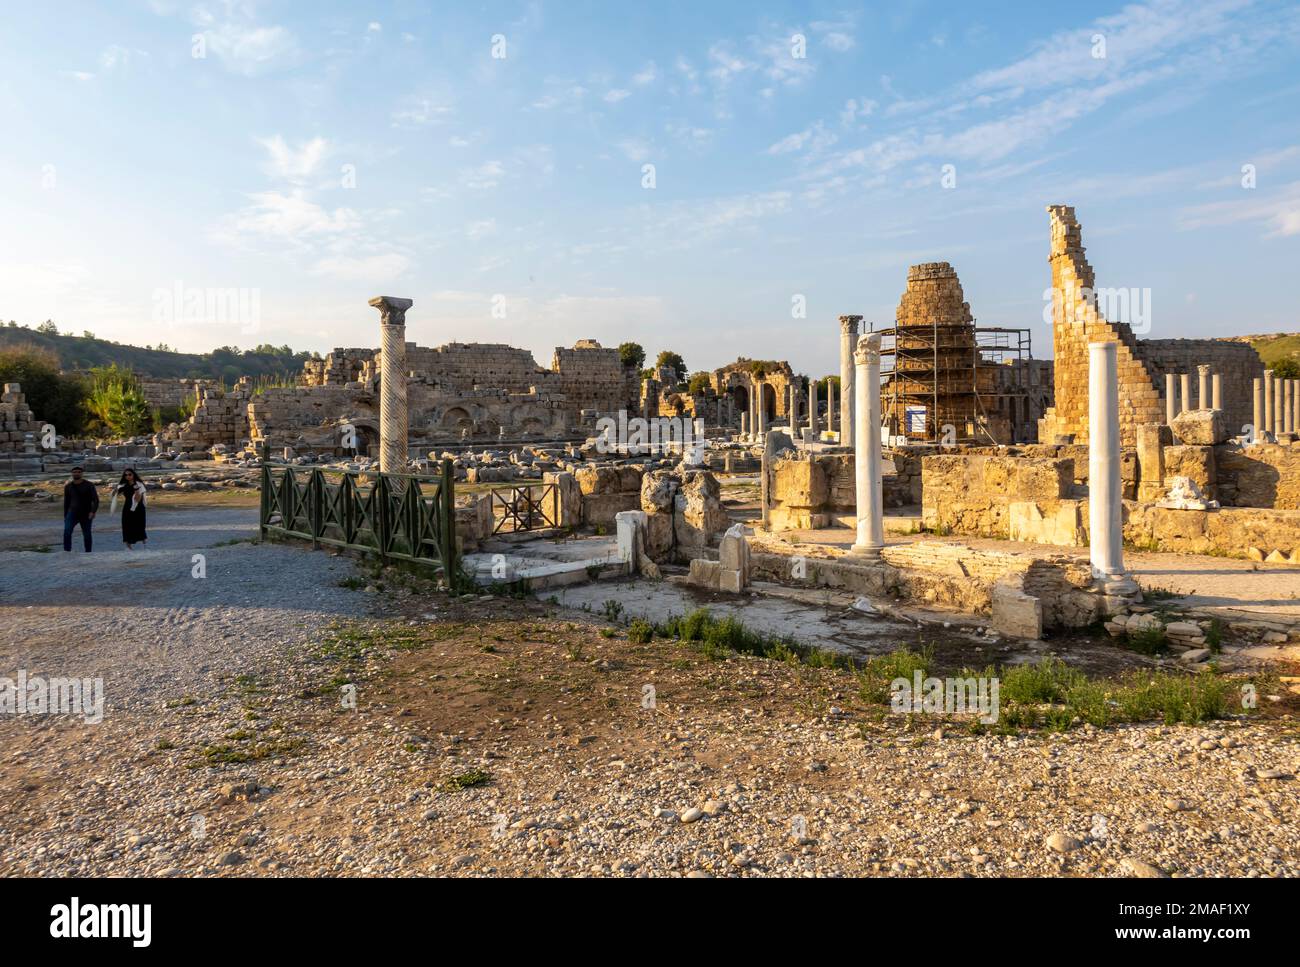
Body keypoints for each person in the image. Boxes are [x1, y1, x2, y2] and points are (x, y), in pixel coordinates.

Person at [63, 466, 99, 552]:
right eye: (74, 472)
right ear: (72, 473)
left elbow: (96, 500)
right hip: (72, 513)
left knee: (87, 534)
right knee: (67, 532)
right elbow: (66, 502)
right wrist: (65, 515)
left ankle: (88, 552)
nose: (76, 473)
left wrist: (93, 512)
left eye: (79, 472)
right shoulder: (68, 486)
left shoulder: (89, 485)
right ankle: (67, 551)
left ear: (82, 473)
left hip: (86, 513)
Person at [111, 468, 148, 549]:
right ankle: (128, 545)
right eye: (126, 475)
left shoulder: (139, 484)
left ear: (133, 475)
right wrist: (116, 488)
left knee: (139, 525)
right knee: (126, 525)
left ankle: (144, 543)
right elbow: (114, 495)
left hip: (138, 508)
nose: (128, 476)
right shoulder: (123, 485)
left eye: (129, 474)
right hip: (127, 507)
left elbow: (138, 499)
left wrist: (136, 490)